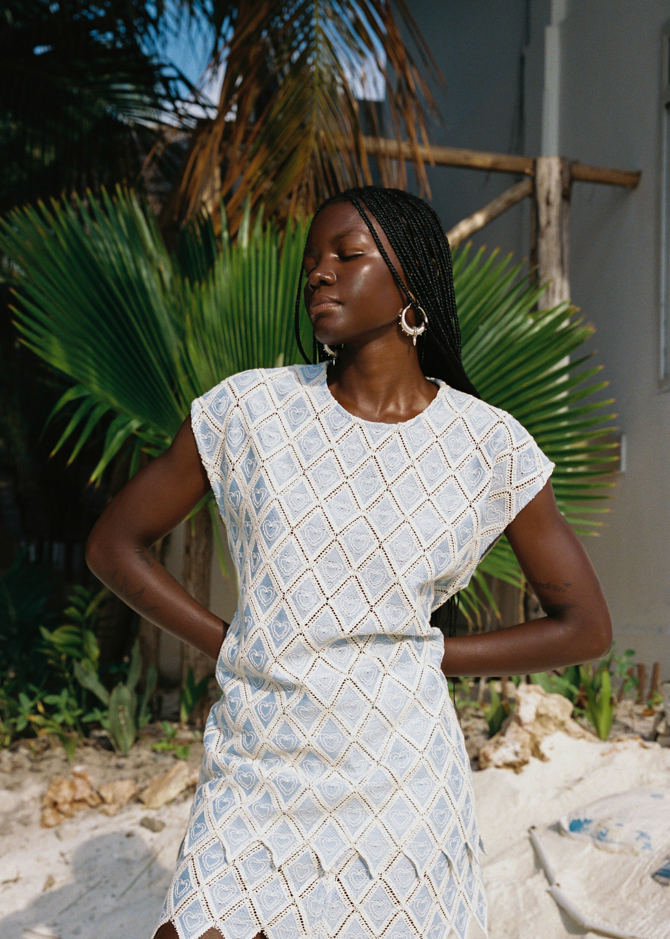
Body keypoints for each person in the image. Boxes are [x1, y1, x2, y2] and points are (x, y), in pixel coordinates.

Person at [86, 186, 611, 939]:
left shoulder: (487, 446)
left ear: (411, 284)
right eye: (311, 260)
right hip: (260, 760)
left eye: (347, 255)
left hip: (400, 775)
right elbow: (113, 545)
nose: (318, 273)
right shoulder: (251, 412)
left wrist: (429, 654)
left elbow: (585, 627)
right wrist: (229, 639)